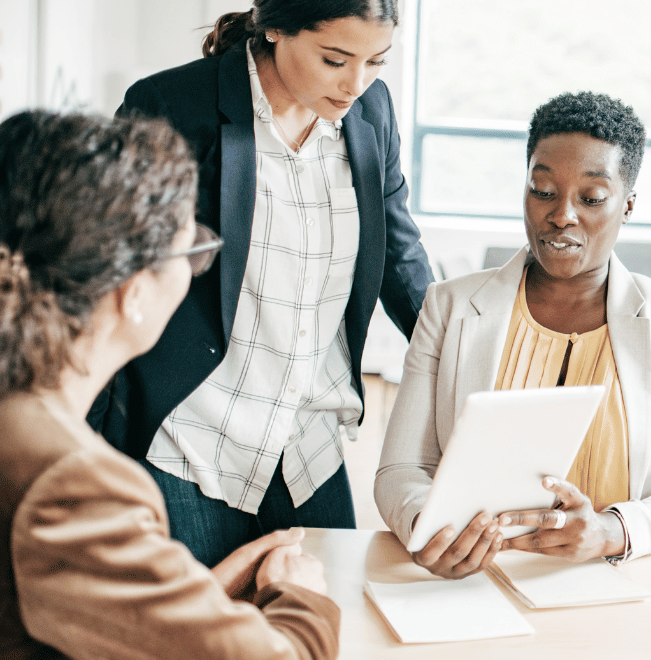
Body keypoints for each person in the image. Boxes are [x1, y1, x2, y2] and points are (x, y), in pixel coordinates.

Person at [95, 0, 434, 566]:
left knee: (325, 632)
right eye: (335, 59)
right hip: (193, 433)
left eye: (377, 61)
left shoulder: (371, 110)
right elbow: (107, 271)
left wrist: (464, 360)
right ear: (274, 27)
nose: (356, 83)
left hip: (308, 438)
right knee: (200, 641)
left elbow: (400, 254)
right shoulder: (171, 106)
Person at [0, 110, 338, 660]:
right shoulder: (72, 481)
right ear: (133, 292)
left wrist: (199, 595)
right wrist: (299, 598)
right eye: (192, 251)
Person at [375, 92, 651, 578]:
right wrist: (428, 527)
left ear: (626, 205)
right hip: (473, 580)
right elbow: (400, 471)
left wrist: (611, 531)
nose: (562, 214)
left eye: (591, 199)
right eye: (542, 190)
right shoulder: (450, 306)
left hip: (613, 579)